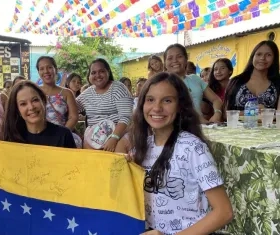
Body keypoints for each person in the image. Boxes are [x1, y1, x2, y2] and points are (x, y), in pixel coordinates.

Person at [116, 72, 233, 235]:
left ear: (180, 106)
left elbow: (224, 212)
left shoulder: (193, 148)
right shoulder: (142, 149)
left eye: (167, 100)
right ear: (141, 105)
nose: (157, 108)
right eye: (150, 100)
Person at [0, 80, 76, 148]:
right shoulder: (10, 138)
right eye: (23, 104)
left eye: (35, 100)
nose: (31, 107)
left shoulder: (64, 135)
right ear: (17, 110)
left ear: (43, 101)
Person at [76, 58, 133, 151]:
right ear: (89, 76)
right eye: (93, 73)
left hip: (118, 135)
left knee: (118, 153)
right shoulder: (87, 93)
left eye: (101, 71)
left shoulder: (118, 88)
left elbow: (126, 117)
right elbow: (72, 107)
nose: (97, 75)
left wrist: (114, 138)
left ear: (108, 72)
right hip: (93, 137)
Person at [164, 44, 223, 123]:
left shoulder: (195, 79)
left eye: (179, 56)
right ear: (165, 63)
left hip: (199, 127)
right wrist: (200, 120)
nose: (175, 60)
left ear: (186, 59)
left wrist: (217, 113)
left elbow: (216, 99)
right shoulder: (163, 84)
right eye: (170, 58)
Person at [224, 40, 280, 115]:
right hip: (238, 126)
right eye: (259, 54)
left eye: (268, 55)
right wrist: (251, 112)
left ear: (274, 59)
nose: (262, 58)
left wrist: (266, 112)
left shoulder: (278, 83)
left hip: (270, 126)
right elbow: (226, 114)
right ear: (253, 57)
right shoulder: (236, 81)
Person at [36, 56, 80, 148]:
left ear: (55, 69)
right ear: (38, 72)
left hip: (62, 136)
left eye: (49, 67)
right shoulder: (34, 92)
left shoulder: (67, 93)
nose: (46, 71)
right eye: (42, 69)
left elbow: (73, 117)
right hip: (38, 136)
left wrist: (61, 135)